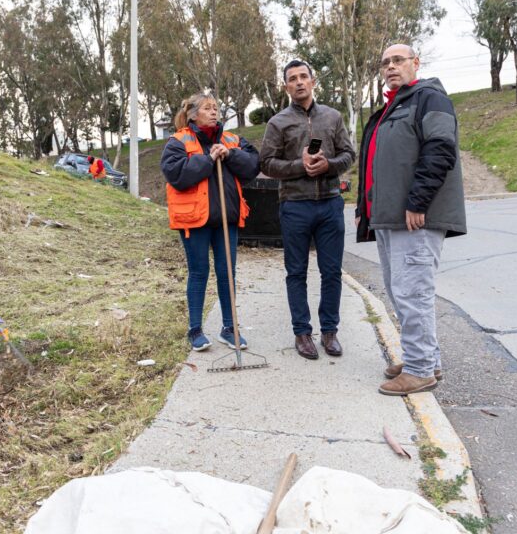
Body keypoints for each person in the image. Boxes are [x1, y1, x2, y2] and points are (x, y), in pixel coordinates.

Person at [355, 44, 466, 396]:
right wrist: (364, 207)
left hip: (415, 218)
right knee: (401, 291)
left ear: (415, 63)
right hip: (388, 218)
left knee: (413, 293)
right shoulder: (392, 106)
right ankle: (426, 360)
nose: (390, 66)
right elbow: (376, 162)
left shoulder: (429, 99)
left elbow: (440, 149)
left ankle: (418, 370)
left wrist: (419, 201)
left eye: (398, 60)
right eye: (385, 62)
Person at [259, 60, 355, 360]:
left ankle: (330, 332)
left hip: (329, 203)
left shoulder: (333, 117)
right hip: (295, 206)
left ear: (313, 81)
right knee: (296, 272)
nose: (299, 82)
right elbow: (266, 164)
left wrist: (329, 166)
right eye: (292, 79)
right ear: (286, 86)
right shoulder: (278, 123)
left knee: (331, 272)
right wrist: (300, 166)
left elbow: (349, 154)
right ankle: (302, 333)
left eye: (304, 77)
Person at [161, 92, 260, 351]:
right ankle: (195, 330)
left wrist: (230, 155)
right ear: (193, 114)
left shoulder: (232, 140)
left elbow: (253, 165)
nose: (214, 111)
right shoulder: (178, 141)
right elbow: (176, 174)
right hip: (194, 220)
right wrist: (208, 159)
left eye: (216, 107)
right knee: (199, 272)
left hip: (226, 219)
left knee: (227, 272)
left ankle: (229, 328)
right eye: (207, 108)